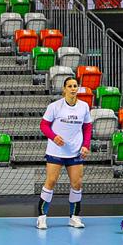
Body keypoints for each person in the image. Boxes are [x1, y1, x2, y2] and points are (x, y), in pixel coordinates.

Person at [37, 75, 92, 230]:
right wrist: (54, 137)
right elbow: (43, 126)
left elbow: (87, 127)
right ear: (64, 89)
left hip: (75, 152)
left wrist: (85, 145)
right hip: (56, 151)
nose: (73, 89)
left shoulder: (84, 106)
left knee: (77, 184)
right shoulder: (55, 106)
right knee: (51, 182)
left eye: (75, 86)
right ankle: (42, 218)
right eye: (70, 86)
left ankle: (74, 217)